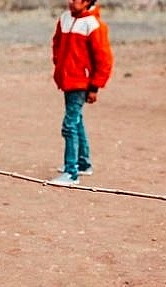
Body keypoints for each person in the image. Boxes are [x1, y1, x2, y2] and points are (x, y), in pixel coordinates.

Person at [50, 0, 113, 186]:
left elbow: (104, 59)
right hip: (67, 79)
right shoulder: (64, 18)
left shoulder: (94, 25)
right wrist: (60, 66)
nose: (71, 1)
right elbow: (56, 44)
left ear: (87, 2)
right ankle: (83, 163)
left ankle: (71, 172)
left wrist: (94, 87)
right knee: (77, 121)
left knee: (69, 125)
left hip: (81, 82)